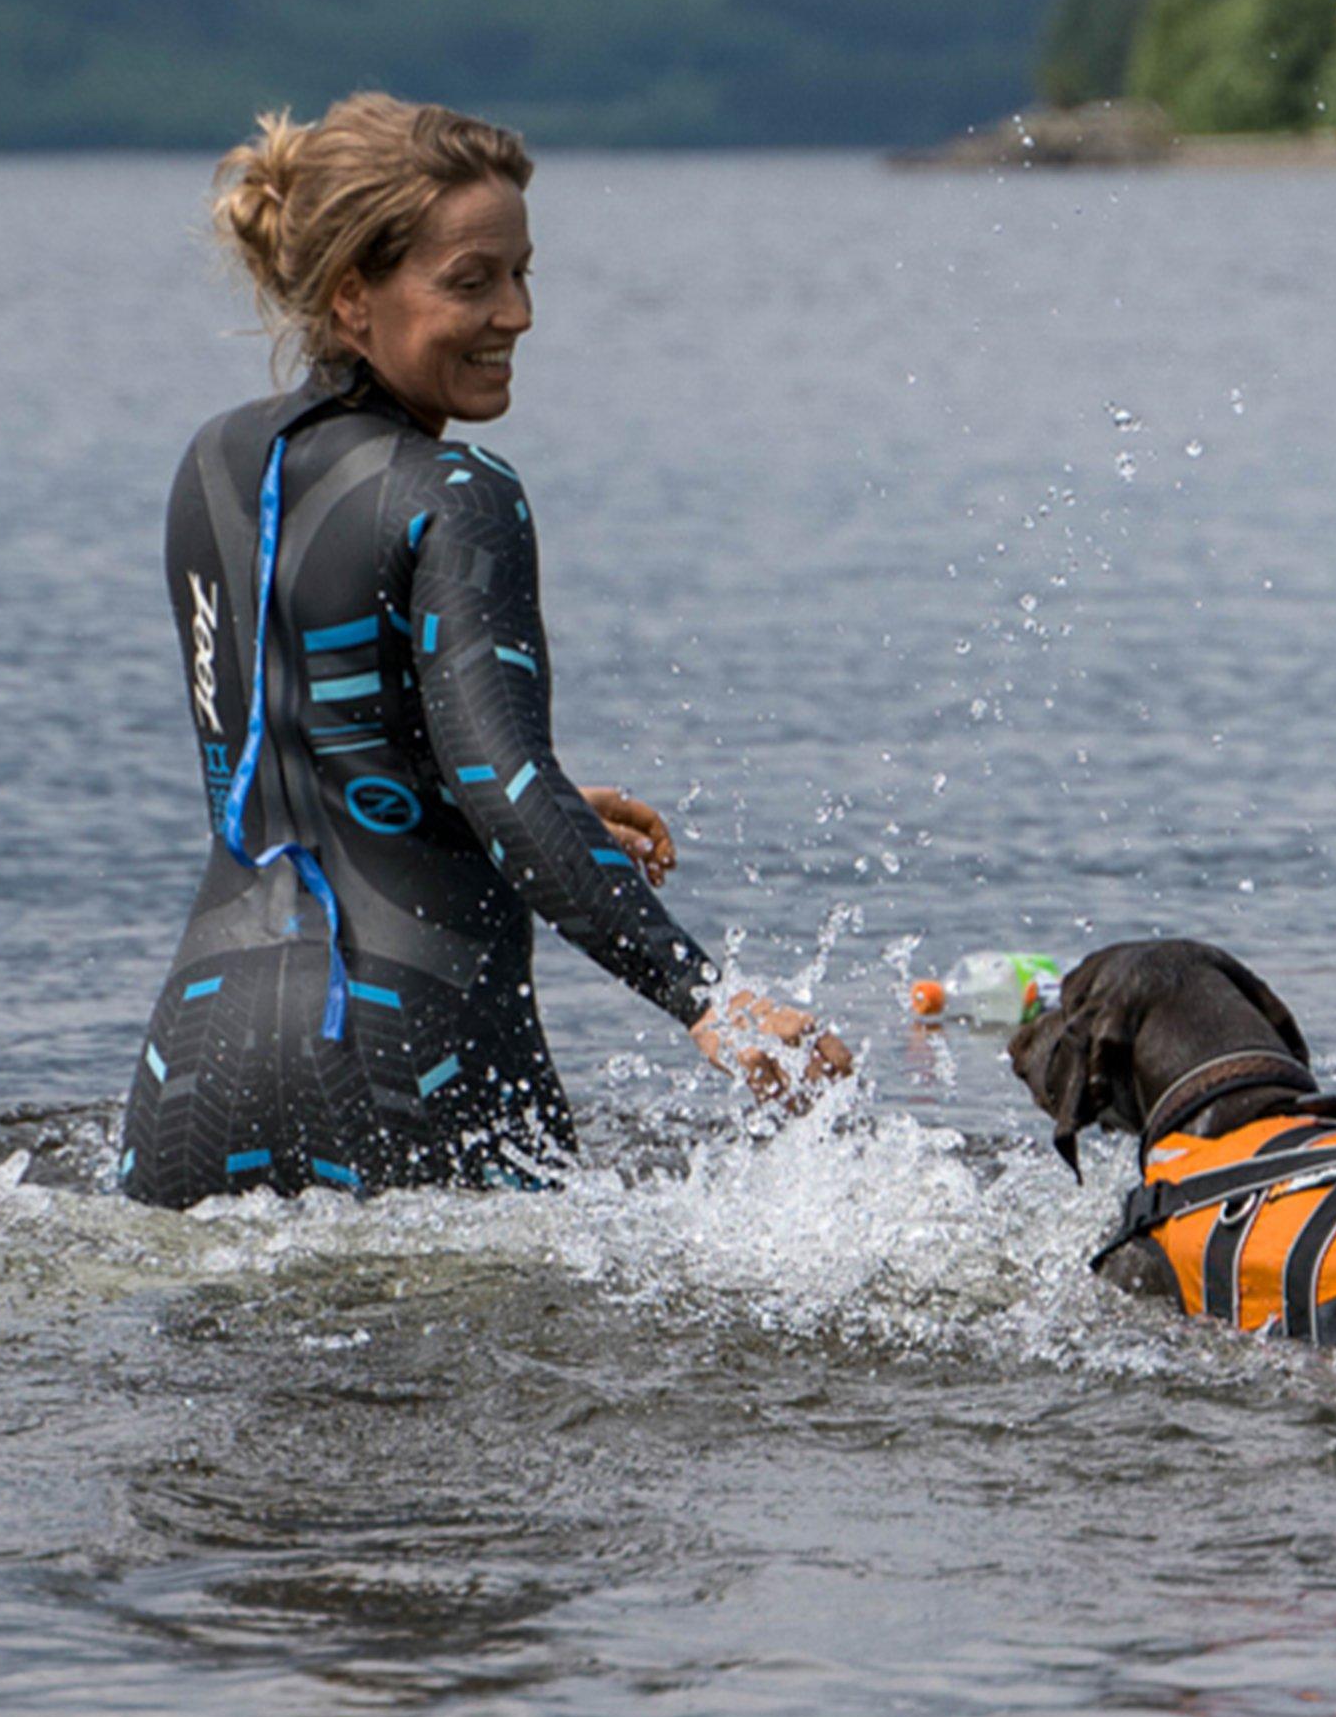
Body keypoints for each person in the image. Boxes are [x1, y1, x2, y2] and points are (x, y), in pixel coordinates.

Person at [121, 92, 847, 1204]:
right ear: (351, 296)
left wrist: (510, 805)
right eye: (471, 281)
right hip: (410, 1043)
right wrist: (711, 998)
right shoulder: (458, 494)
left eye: (522, 273)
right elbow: (503, 788)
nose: (515, 314)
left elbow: (298, 762)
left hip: (197, 1062)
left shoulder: (211, 463)